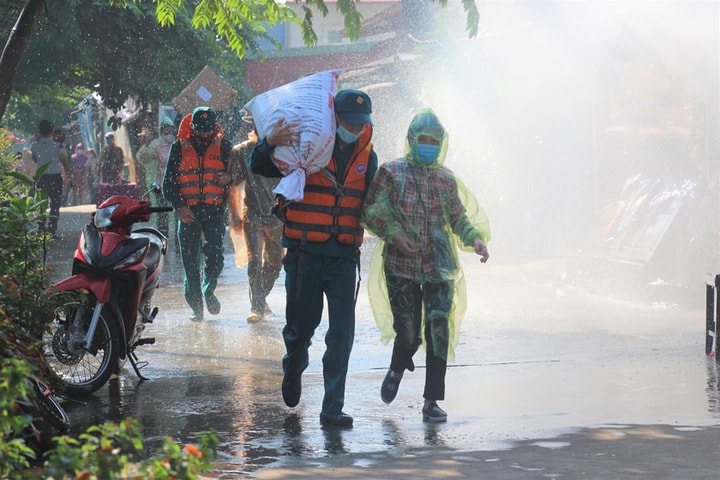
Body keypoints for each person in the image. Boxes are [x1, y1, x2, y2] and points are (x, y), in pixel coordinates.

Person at [248, 89, 378, 427]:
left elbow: (374, 203)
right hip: (305, 252)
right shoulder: (309, 144)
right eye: (349, 121)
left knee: (342, 333)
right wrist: (269, 142)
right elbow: (259, 165)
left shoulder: (369, 156)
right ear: (335, 118)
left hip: (344, 256)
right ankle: (293, 366)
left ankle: (332, 407)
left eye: (361, 123)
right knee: (301, 328)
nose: (355, 128)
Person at [361, 108, 491, 423]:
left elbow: (458, 217)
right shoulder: (391, 173)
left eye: (435, 140)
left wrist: (474, 239)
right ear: (412, 140)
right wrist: (394, 234)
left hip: (439, 267)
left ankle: (431, 400)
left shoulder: (446, 180)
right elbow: (370, 211)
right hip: (401, 266)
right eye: (424, 139)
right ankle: (396, 367)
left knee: (438, 330)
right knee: (407, 332)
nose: (429, 145)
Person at [162, 106, 234, 321]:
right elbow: (168, 184)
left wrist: (229, 178)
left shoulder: (225, 147)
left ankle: (209, 291)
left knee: (215, 256)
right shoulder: (178, 148)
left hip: (214, 212)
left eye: (208, 130)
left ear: (215, 128)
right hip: (188, 213)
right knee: (190, 262)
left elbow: (240, 173)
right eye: (200, 130)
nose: (204, 134)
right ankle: (196, 308)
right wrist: (180, 206)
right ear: (192, 127)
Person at [227, 126, 283, 323]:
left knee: (276, 262)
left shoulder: (284, 148)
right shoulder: (241, 151)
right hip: (253, 215)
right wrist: (233, 214)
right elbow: (232, 184)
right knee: (254, 262)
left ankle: (261, 296)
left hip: (279, 217)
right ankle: (256, 307)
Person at [32, 119, 70, 238]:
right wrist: (69, 176)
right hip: (55, 177)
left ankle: (41, 229)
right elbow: (65, 162)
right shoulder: (58, 146)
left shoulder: (34, 147)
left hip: (41, 177)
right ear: (52, 131)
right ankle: (52, 230)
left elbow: (35, 159)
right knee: (55, 204)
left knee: (41, 204)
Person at [144, 117, 176, 237]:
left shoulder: (176, 143)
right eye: (166, 130)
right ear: (162, 131)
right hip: (160, 183)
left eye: (170, 130)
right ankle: (163, 236)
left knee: (178, 210)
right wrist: (146, 145)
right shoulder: (156, 145)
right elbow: (145, 159)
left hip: (175, 183)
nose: (168, 133)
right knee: (162, 211)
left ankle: (179, 241)